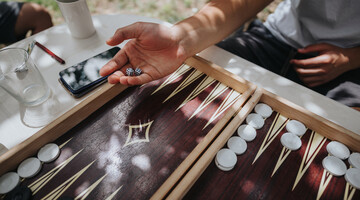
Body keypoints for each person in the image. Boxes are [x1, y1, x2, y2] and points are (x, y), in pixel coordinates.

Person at [99, 0, 360, 108]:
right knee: (186, 92)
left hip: (352, 65)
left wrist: (350, 59)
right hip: (276, 37)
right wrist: (181, 39)